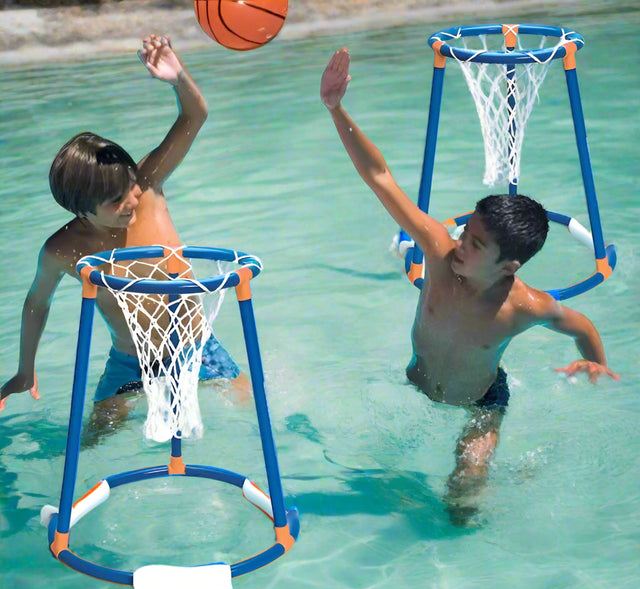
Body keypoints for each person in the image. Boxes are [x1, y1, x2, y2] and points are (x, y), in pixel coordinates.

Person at [320, 47, 619, 525]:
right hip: (416, 384)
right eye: (465, 232)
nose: (459, 242)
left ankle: (500, 488)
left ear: (508, 266)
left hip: (482, 399)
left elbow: (580, 325)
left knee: (462, 499)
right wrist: (337, 109)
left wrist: (595, 362)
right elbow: (379, 177)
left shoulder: (523, 306)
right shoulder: (439, 254)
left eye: (475, 244)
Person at [0, 35, 251, 434]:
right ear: (82, 210)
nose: (132, 200)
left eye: (131, 187)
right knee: (93, 438)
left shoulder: (149, 186)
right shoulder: (63, 250)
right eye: (116, 201)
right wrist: (25, 369)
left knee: (252, 413)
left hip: (196, 348)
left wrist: (178, 79)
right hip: (129, 361)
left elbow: (195, 116)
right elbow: (36, 302)